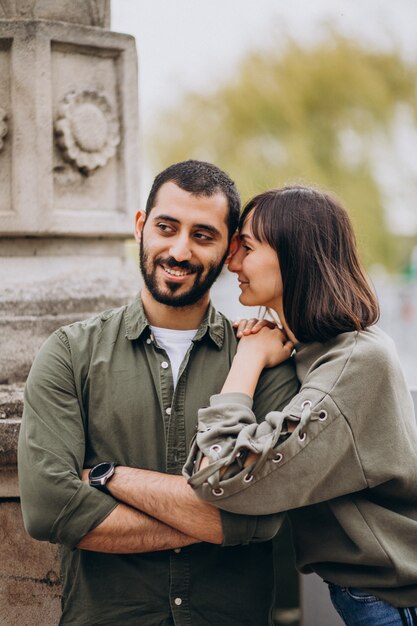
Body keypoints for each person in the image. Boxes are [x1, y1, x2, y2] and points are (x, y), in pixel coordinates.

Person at [18, 161, 298, 626]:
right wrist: (211, 520)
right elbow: (51, 509)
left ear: (230, 249)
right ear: (140, 227)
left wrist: (108, 477)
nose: (179, 250)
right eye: (166, 228)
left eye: (203, 235)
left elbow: (259, 520)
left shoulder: (263, 359)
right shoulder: (70, 353)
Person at [184, 185, 417, 626]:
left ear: (295, 256)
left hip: (395, 602)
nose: (231, 263)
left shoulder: (354, 363)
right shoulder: (321, 349)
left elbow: (219, 473)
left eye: (246, 247)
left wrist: (249, 360)